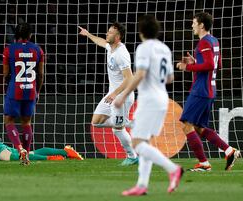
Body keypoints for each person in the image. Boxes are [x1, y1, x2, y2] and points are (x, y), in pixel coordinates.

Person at [114, 15, 183, 196]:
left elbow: (140, 74)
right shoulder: (165, 49)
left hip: (149, 100)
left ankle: (173, 169)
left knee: (137, 144)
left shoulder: (144, 48)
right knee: (144, 142)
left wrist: (124, 95)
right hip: (162, 99)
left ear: (141, 32)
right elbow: (170, 78)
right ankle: (142, 185)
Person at [176, 12, 241, 171]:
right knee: (199, 127)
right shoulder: (213, 40)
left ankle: (204, 164)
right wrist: (196, 61)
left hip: (201, 90)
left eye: (194, 22)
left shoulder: (204, 42)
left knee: (186, 125)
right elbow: (213, 64)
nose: (192, 25)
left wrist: (188, 67)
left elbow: (210, 65)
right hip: (209, 89)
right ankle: (229, 150)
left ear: (201, 25)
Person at [78, 23, 138, 166]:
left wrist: (115, 94)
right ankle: (126, 122)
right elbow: (100, 41)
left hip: (122, 96)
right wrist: (88, 34)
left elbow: (129, 78)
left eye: (110, 33)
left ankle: (132, 156)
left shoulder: (121, 54)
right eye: (108, 31)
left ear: (117, 37)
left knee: (118, 130)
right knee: (96, 121)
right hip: (112, 94)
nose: (107, 34)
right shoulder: (110, 47)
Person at [3, 22, 44, 165]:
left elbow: (5, 73)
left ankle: (20, 149)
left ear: (16, 35)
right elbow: (40, 74)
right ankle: (26, 153)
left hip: (15, 89)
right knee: (26, 122)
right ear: (30, 35)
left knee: (9, 120)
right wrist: (37, 91)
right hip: (31, 90)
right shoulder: (38, 50)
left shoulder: (9, 49)